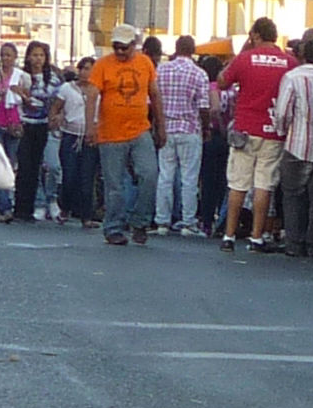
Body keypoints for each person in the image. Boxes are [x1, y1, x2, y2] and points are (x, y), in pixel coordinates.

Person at [82, 22, 166, 247]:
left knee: (149, 174)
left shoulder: (145, 63)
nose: (119, 52)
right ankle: (114, 228)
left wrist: (161, 127)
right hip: (110, 134)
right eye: (116, 47)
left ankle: (140, 221)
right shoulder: (102, 65)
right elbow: (92, 96)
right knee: (114, 185)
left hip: (140, 129)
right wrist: (90, 127)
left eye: (124, 48)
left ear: (134, 46)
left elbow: (155, 96)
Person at [217, 18, 295, 254]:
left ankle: (229, 235)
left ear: (256, 35)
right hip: (273, 130)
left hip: (245, 129)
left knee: (238, 184)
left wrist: (242, 52)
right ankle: (257, 237)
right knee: (264, 185)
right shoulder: (289, 62)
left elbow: (222, 81)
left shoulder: (245, 59)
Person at [271, 34, 313, 258]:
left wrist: (283, 131)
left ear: (302, 55)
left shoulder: (292, 77)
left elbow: (282, 111)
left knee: (292, 195)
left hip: (297, 143)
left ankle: (294, 242)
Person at [154, 34, 212, 235]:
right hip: (189, 129)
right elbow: (204, 107)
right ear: (193, 50)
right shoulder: (199, 74)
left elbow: (152, 100)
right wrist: (206, 128)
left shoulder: (161, 70)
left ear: (176, 49)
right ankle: (188, 222)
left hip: (166, 129)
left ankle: (162, 221)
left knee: (165, 176)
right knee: (189, 178)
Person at [11, 41, 61, 223]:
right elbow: (14, 99)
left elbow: (56, 100)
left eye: (41, 55)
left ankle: (36, 205)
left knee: (38, 167)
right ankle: (20, 208)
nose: (37, 59)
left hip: (43, 125)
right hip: (24, 124)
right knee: (24, 166)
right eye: (34, 55)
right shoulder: (21, 76)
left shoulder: (53, 78)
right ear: (28, 57)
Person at [0, 41, 28, 222]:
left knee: (8, 166)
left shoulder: (23, 77)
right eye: (3, 55)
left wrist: (21, 93)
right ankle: (6, 206)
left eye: (9, 55)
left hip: (15, 124)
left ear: (16, 57)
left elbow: (29, 101)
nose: (5, 58)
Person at [55, 58, 96, 226]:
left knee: (87, 177)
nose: (87, 73)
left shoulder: (98, 91)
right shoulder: (67, 89)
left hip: (90, 137)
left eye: (91, 70)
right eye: (85, 69)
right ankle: (65, 209)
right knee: (69, 175)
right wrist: (57, 119)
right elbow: (55, 108)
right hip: (70, 135)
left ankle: (86, 216)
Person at [197, 55, 229, 241]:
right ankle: (222, 217)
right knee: (224, 180)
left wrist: (209, 125)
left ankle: (207, 220)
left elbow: (213, 110)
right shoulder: (229, 89)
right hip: (226, 138)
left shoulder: (208, 88)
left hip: (210, 135)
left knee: (208, 181)